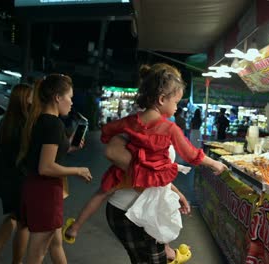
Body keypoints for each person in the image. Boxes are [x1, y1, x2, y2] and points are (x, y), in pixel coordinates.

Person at [64, 63, 227, 263]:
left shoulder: (131, 121)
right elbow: (192, 154)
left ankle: (76, 227)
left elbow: (107, 131)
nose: (177, 107)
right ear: (161, 99)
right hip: (134, 211)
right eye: (176, 102)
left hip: (123, 206)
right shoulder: (169, 129)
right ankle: (169, 253)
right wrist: (215, 164)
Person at [17, 74, 93, 264]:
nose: (71, 103)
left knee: (55, 244)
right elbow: (46, 166)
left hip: (37, 189)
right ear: (58, 97)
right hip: (45, 192)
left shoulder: (42, 120)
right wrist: (78, 170)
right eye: (70, 97)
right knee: (37, 254)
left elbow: (47, 155)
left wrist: (69, 145)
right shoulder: (53, 124)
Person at [0, 84, 33, 264]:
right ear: (24, 99)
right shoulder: (25, 124)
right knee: (24, 224)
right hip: (20, 180)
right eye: (31, 96)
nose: (34, 99)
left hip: (5, 179)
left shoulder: (5, 121)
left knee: (13, 216)